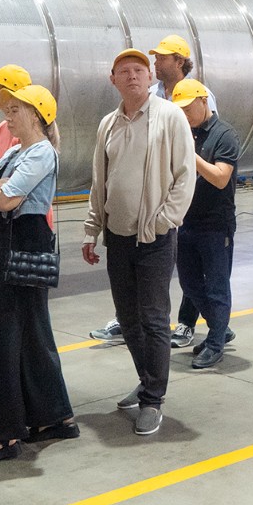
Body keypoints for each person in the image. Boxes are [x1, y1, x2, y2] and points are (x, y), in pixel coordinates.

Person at [80, 48, 196, 438]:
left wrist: (164, 221)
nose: (132, 76)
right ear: (113, 80)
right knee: (128, 318)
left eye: (139, 70)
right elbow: (100, 181)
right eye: (124, 71)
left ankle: (153, 400)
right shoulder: (108, 124)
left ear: (149, 78)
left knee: (153, 317)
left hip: (155, 237)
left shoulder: (170, 116)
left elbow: (185, 176)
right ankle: (148, 380)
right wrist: (92, 229)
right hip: (118, 235)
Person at [0, 84, 75, 466]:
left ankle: (1, 434)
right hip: (11, 240)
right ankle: (54, 416)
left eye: (14, 110)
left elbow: (5, 200)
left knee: (4, 333)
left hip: (24, 239)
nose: (7, 117)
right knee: (31, 330)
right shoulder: (16, 152)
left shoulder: (41, 152)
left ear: (37, 115)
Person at [169, 80, 241, 369]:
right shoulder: (185, 132)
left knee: (216, 286)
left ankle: (215, 343)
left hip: (215, 224)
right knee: (188, 282)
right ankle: (219, 328)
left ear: (203, 101)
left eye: (188, 109)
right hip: (186, 221)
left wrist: (191, 154)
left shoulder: (225, 135)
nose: (184, 115)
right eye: (180, 111)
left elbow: (221, 178)